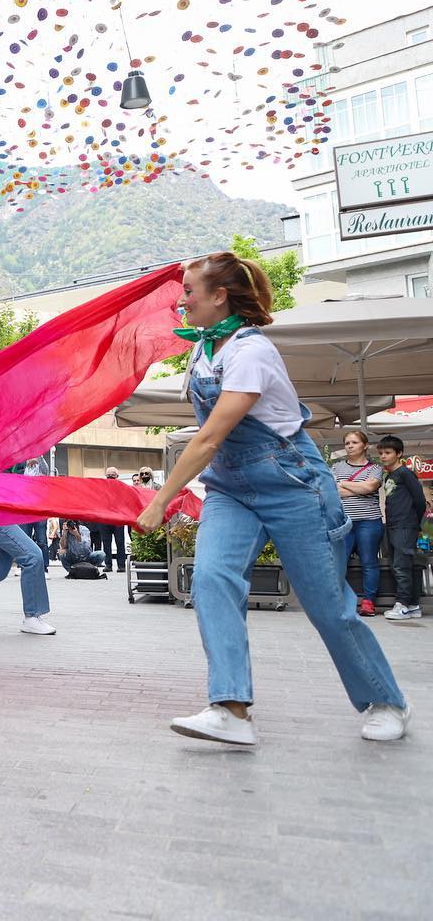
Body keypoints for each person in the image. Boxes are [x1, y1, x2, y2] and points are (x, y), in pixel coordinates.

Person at [136, 251, 409, 745]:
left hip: (293, 486)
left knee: (327, 605)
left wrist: (161, 500)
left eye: (189, 291)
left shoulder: (251, 351)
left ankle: (385, 700)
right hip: (231, 489)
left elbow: (211, 436)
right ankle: (232, 710)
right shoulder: (203, 350)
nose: (182, 300)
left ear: (219, 296)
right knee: (214, 578)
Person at [333, 430, 385, 616]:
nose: (349, 446)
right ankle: (338, 602)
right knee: (339, 562)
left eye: (354, 442)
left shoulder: (375, 468)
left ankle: (368, 602)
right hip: (343, 522)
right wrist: (360, 488)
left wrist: (344, 484)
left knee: (369, 562)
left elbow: (371, 486)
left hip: (369, 522)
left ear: (365, 445)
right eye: (347, 443)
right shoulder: (337, 467)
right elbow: (333, 492)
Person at [377, 434, 427, 622]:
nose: (383, 456)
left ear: (399, 453)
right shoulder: (391, 475)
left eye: (387, 453)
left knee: (401, 565)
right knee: (402, 564)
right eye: (381, 453)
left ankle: (403, 605)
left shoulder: (405, 473)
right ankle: (413, 605)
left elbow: (420, 501)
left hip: (405, 525)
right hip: (394, 525)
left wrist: (415, 523)